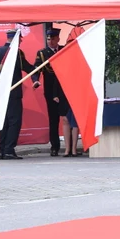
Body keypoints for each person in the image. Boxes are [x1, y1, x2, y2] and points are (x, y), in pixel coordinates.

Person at [0, 30, 35, 160]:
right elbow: (28, 67)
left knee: (3, 122)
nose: (21, 41)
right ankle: (9, 150)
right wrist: (37, 70)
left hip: (0, 92)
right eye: (20, 39)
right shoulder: (17, 53)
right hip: (13, 92)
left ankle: (2, 150)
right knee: (14, 122)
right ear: (16, 39)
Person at [34, 28, 67, 157]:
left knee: (67, 118)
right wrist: (36, 80)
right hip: (50, 91)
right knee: (53, 120)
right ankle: (55, 147)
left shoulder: (64, 50)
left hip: (64, 90)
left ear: (58, 39)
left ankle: (70, 147)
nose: (50, 41)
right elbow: (36, 68)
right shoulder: (42, 53)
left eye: (53, 39)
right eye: (48, 39)